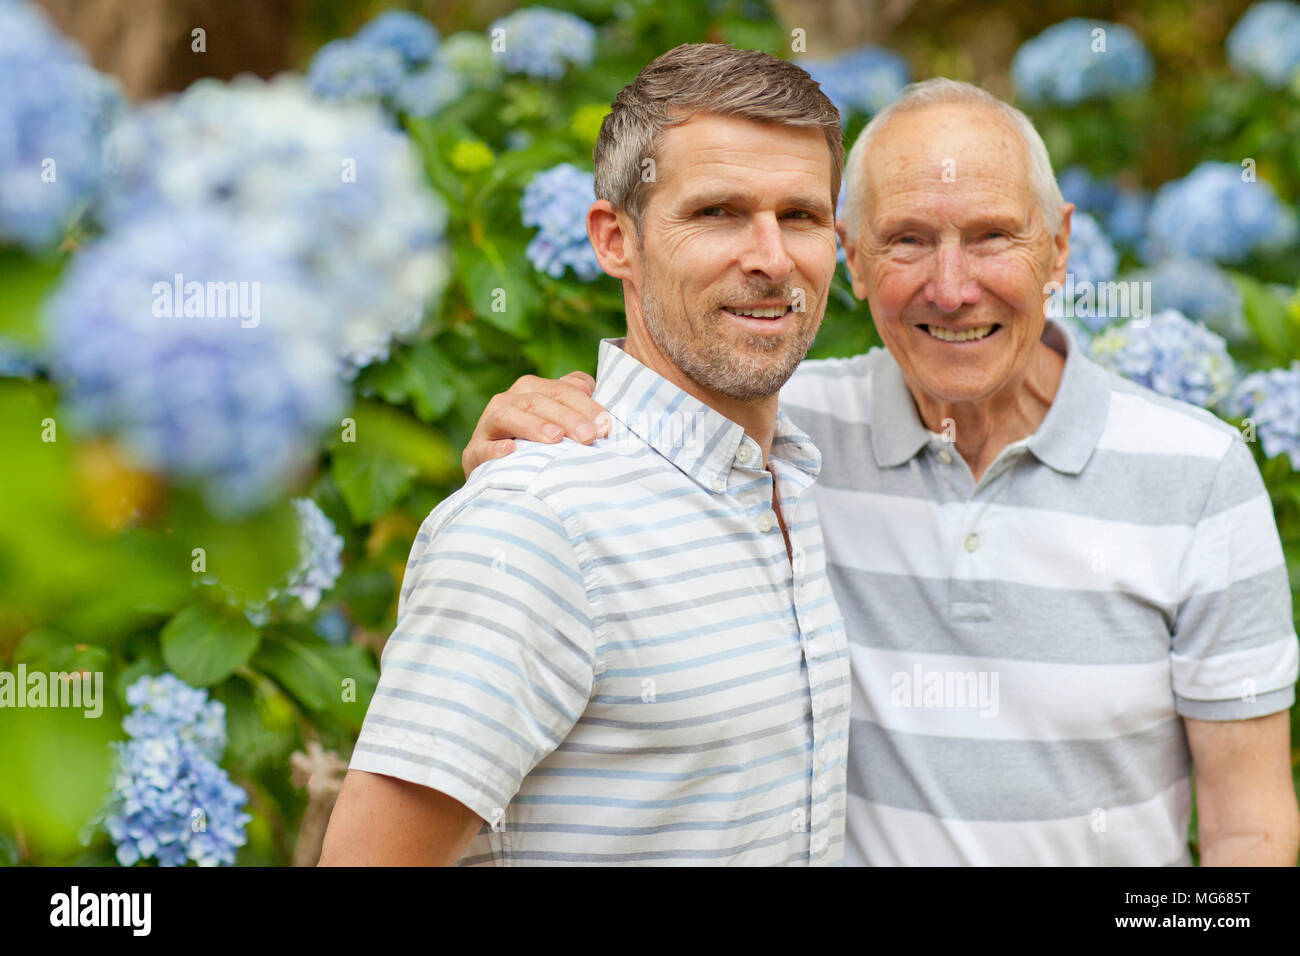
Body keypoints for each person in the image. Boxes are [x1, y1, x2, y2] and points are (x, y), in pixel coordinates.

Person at [462, 78, 1300, 865]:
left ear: (1058, 247)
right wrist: (518, 450)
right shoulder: (780, 439)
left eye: (990, 237)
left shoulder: (1199, 475)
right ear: (852, 260)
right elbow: (632, 456)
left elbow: (1248, 829)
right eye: (907, 241)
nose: (951, 287)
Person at [320, 43, 852, 866]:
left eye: (801, 216)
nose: (771, 258)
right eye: (716, 213)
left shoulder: (790, 476)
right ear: (616, 240)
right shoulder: (534, 528)